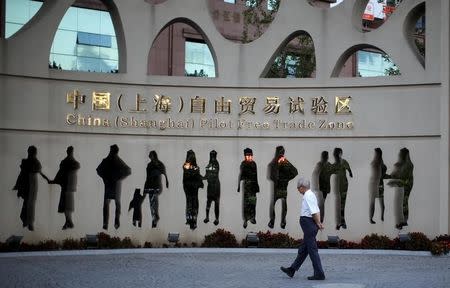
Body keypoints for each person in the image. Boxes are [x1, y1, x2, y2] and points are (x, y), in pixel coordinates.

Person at [280, 177, 325, 281]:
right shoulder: (311, 195)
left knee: (312, 250)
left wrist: (318, 223)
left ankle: (319, 273)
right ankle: (292, 269)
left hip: (308, 223)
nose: (298, 190)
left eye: (298, 188)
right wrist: (318, 223)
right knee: (303, 250)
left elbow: (314, 211)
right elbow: (316, 210)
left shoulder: (308, 195)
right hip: (310, 224)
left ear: (302, 187)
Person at [12, 146, 48, 231]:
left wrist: (47, 179)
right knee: (28, 203)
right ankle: (27, 221)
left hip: (32, 184)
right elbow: (22, 174)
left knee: (30, 203)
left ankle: (28, 221)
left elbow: (39, 172)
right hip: (29, 183)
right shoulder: (28, 162)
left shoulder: (34, 162)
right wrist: (17, 185)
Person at [96, 144, 131, 230]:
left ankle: (110, 222)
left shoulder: (111, 160)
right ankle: (113, 222)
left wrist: (108, 178)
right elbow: (127, 170)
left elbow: (127, 170)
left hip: (111, 184)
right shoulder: (115, 160)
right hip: (112, 184)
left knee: (109, 203)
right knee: (114, 203)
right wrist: (116, 177)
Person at [48, 146, 80, 230]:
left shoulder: (66, 162)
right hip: (69, 187)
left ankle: (68, 222)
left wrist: (54, 181)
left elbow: (60, 173)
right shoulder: (73, 163)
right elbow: (61, 173)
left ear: (68, 151)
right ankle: (68, 222)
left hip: (66, 187)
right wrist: (54, 181)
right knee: (67, 205)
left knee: (66, 205)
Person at [268, 146, 298, 229]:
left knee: (284, 204)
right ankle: (272, 221)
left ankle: (283, 221)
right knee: (274, 204)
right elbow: (271, 176)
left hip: (283, 187)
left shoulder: (285, 162)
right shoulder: (274, 163)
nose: (281, 154)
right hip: (277, 188)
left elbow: (295, 172)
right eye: (280, 152)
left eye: (282, 152)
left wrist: (286, 179)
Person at [388, 147, 414, 229]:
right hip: (402, 184)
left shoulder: (409, 165)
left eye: (400, 154)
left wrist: (394, 181)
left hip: (407, 184)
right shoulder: (401, 164)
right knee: (401, 203)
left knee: (404, 202)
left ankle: (404, 221)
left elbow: (403, 177)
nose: (399, 155)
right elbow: (395, 175)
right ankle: (402, 221)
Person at [144, 150, 169, 228]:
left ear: (153, 155)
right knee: (152, 203)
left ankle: (155, 218)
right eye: (150, 155)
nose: (150, 157)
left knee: (153, 201)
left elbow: (163, 172)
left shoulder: (158, 164)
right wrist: (145, 187)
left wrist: (166, 181)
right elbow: (147, 177)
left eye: (151, 155)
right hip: (150, 185)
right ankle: (154, 217)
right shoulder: (149, 165)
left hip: (156, 186)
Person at [237, 148, 259, 229]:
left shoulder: (254, 164)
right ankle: (246, 219)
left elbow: (256, 175)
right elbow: (242, 174)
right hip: (247, 185)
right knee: (246, 203)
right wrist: (239, 186)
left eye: (250, 155)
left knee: (253, 202)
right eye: (248, 155)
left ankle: (252, 217)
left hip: (253, 185)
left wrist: (257, 186)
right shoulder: (243, 164)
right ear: (245, 156)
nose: (249, 157)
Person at [331, 148, 353, 230]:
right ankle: (341, 222)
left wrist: (350, 173)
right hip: (339, 187)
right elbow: (331, 170)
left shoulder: (344, 162)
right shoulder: (336, 164)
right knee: (340, 204)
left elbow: (349, 170)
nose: (338, 155)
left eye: (339, 153)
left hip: (344, 185)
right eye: (337, 153)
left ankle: (342, 222)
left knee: (342, 204)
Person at [183, 150, 204, 230]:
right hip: (188, 187)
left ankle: (194, 219)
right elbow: (188, 173)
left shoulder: (195, 167)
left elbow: (197, 174)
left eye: (192, 156)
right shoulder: (186, 165)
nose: (191, 158)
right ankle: (189, 219)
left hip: (194, 187)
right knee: (190, 202)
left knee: (194, 203)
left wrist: (200, 181)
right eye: (190, 156)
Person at [369, 148, 390, 224]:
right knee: (375, 203)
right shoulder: (377, 163)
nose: (375, 155)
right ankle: (377, 217)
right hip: (376, 184)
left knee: (379, 203)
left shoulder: (377, 163)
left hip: (376, 184)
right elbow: (381, 175)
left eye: (375, 153)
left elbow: (381, 175)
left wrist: (389, 176)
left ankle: (381, 217)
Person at [311, 151, 333, 223]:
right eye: (324, 156)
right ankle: (319, 219)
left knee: (321, 203)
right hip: (320, 188)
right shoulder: (320, 164)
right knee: (320, 203)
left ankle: (320, 219)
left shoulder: (327, 165)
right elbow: (315, 174)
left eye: (325, 156)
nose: (325, 157)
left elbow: (315, 174)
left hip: (324, 188)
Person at [203, 150, 221, 226]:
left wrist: (207, 175)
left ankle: (216, 219)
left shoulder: (216, 164)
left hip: (216, 186)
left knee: (216, 203)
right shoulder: (209, 165)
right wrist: (199, 177)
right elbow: (206, 176)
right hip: (210, 186)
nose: (212, 157)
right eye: (211, 156)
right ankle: (207, 217)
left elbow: (214, 174)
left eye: (213, 156)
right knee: (208, 202)